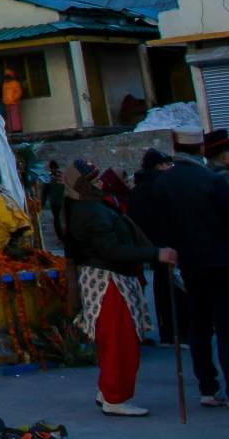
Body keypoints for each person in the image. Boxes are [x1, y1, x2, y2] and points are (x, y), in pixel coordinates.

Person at [63, 158, 176, 417]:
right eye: (95, 180)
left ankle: (109, 391)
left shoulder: (89, 206)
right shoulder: (89, 211)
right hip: (108, 282)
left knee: (116, 340)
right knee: (119, 342)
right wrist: (155, 254)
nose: (102, 183)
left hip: (110, 278)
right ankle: (115, 396)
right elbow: (111, 249)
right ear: (83, 185)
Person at [149, 131, 229, 408]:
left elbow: (157, 225)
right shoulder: (212, 180)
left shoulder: (163, 183)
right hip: (220, 262)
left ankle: (208, 387)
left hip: (186, 264)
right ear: (200, 150)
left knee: (200, 325)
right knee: (225, 325)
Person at [128, 148, 180, 346]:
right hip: (170, 244)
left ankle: (167, 330)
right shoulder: (165, 185)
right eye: (167, 165)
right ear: (158, 166)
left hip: (151, 246)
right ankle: (177, 331)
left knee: (162, 288)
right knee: (175, 290)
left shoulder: (137, 190)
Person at [1, 67, 26, 133]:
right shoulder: (4, 84)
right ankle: (13, 130)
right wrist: (5, 101)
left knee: (16, 118)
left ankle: (18, 130)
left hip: (14, 103)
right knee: (10, 119)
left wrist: (13, 99)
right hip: (7, 104)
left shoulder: (15, 83)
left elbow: (19, 92)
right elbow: (4, 94)